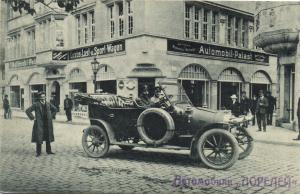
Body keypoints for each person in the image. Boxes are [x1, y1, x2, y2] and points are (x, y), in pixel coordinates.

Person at [25, 92, 57, 157]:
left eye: (44, 96)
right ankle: (38, 152)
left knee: (48, 137)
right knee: (39, 138)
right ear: (39, 98)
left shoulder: (48, 104)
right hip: (39, 123)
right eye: (41, 97)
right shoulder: (36, 104)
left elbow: (55, 109)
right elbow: (28, 110)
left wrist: (51, 116)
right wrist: (33, 117)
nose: (43, 98)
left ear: (45, 97)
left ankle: (49, 151)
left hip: (47, 123)